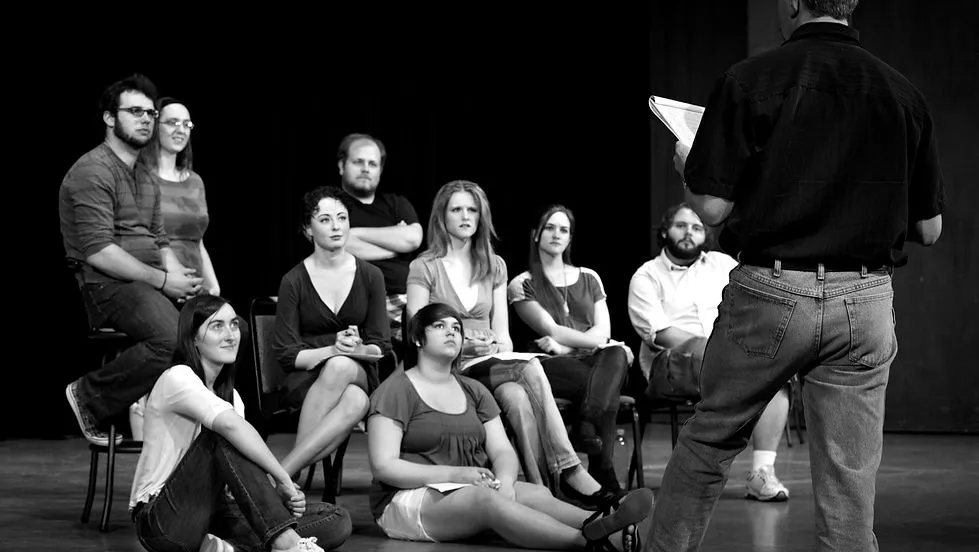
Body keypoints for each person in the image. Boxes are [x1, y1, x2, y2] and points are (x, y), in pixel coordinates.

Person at [644, 1, 945, 550]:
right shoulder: (904, 95)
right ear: (851, 4)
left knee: (709, 442)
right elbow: (929, 228)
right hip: (865, 299)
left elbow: (711, 209)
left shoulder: (750, 80)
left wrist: (690, 166)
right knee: (849, 478)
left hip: (771, 292)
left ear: (791, 3)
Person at [367, 302, 654, 550]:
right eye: (439, 326)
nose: (451, 332)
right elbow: (384, 466)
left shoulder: (473, 390)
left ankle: (604, 523)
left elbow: (502, 451)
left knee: (536, 493)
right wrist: (456, 474)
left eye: (456, 328)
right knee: (484, 500)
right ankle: (587, 542)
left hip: (464, 486)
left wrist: (505, 483)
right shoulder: (397, 390)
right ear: (417, 338)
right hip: (406, 498)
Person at [406, 180, 612, 507]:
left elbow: (503, 336)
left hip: (486, 364)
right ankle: (570, 470)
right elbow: (416, 329)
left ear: (481, 216)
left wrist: (494, 346)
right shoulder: (424, 266)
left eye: (472, 210)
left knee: (516, 396)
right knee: (530, 366)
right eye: (456, 209)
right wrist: (463, 343)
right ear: (441, 216)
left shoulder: (494, 265)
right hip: (446, 364)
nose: (465, 216)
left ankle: (542, 491)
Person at [129, 295, 351, 552]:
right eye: (217, 326)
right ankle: (286, 544)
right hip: (163, 519)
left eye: (233, 324)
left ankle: (225, 547)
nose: (230, 335)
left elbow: (236, 472)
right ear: (193, 338)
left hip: (214, 513)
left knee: (335, 519)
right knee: (223, 434)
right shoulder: (177, 377)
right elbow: (230, 429)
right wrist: (282, 478)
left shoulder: (232, 397)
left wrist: (273, 494)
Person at [60, 74, 203, 447]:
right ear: (110, 118)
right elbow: (99, 252)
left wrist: (180, 278)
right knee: (173, 338)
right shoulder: (92, 171)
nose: (145, 120)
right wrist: (163, 280)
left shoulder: (145, 176)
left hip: (146, 285)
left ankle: (196, 445)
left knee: (219, 329)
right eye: (135, 112)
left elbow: (159, 239)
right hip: (106, 286)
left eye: (150, 113)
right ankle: (89, 396)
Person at [627, 203, 791, 502]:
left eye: (697, 227)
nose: (689, 232)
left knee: (776, 368)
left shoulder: (722, 264)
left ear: (705, 235)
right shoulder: (647, 275)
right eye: (681, 225)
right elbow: (661, 334)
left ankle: (761, 473)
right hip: (670, 366)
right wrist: (721, 349)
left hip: (725, 357)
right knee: (724, 357)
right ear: (665, 231)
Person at [508, 205, 633, 491]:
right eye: (550, 228)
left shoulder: (590, 277)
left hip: (595, 360)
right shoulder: (522, 284)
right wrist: (600, 345)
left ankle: (587, 424)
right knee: (608, 376)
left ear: (570, 238)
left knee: (613, 357)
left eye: (563, 230)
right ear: (536, 234)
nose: (557, 234)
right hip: (549, 366)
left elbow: (603, 331)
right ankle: (604, 471)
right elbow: (552, 330)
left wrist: (576, 346)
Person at [273, 186, 392, 480]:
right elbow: (288, 355)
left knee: (341, 367)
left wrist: (355, 350)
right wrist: (332, 350)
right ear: (308, 229)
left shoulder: (371, 276)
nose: (336, 226)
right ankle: (290, 477)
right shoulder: (293, 280)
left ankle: (285, 476)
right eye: (325, 220)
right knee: (355, 401)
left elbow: (381, 346)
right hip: (307, 378)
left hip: (360, 370)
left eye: (342, 218)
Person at [336, 133, 422, 355]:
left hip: (412, 295)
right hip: (366, 301)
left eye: (372, 164)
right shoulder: (332, 205)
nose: (366, 169)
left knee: (446, 326)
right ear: (341, 166)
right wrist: (395, 245)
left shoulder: (397, 203)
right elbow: (338, 243)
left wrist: (355, 234)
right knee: (426, 338)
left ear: (380, 170)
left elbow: (413, 239)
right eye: (358, 162)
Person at [138, 97, 221, 296]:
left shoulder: (195, 181)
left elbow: (197, 241)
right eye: (173, 122)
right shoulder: (140, 178)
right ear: (155, 126)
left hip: (195, 287)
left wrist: (214, 286)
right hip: (159, 286)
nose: (181, 130)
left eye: (186, 124)